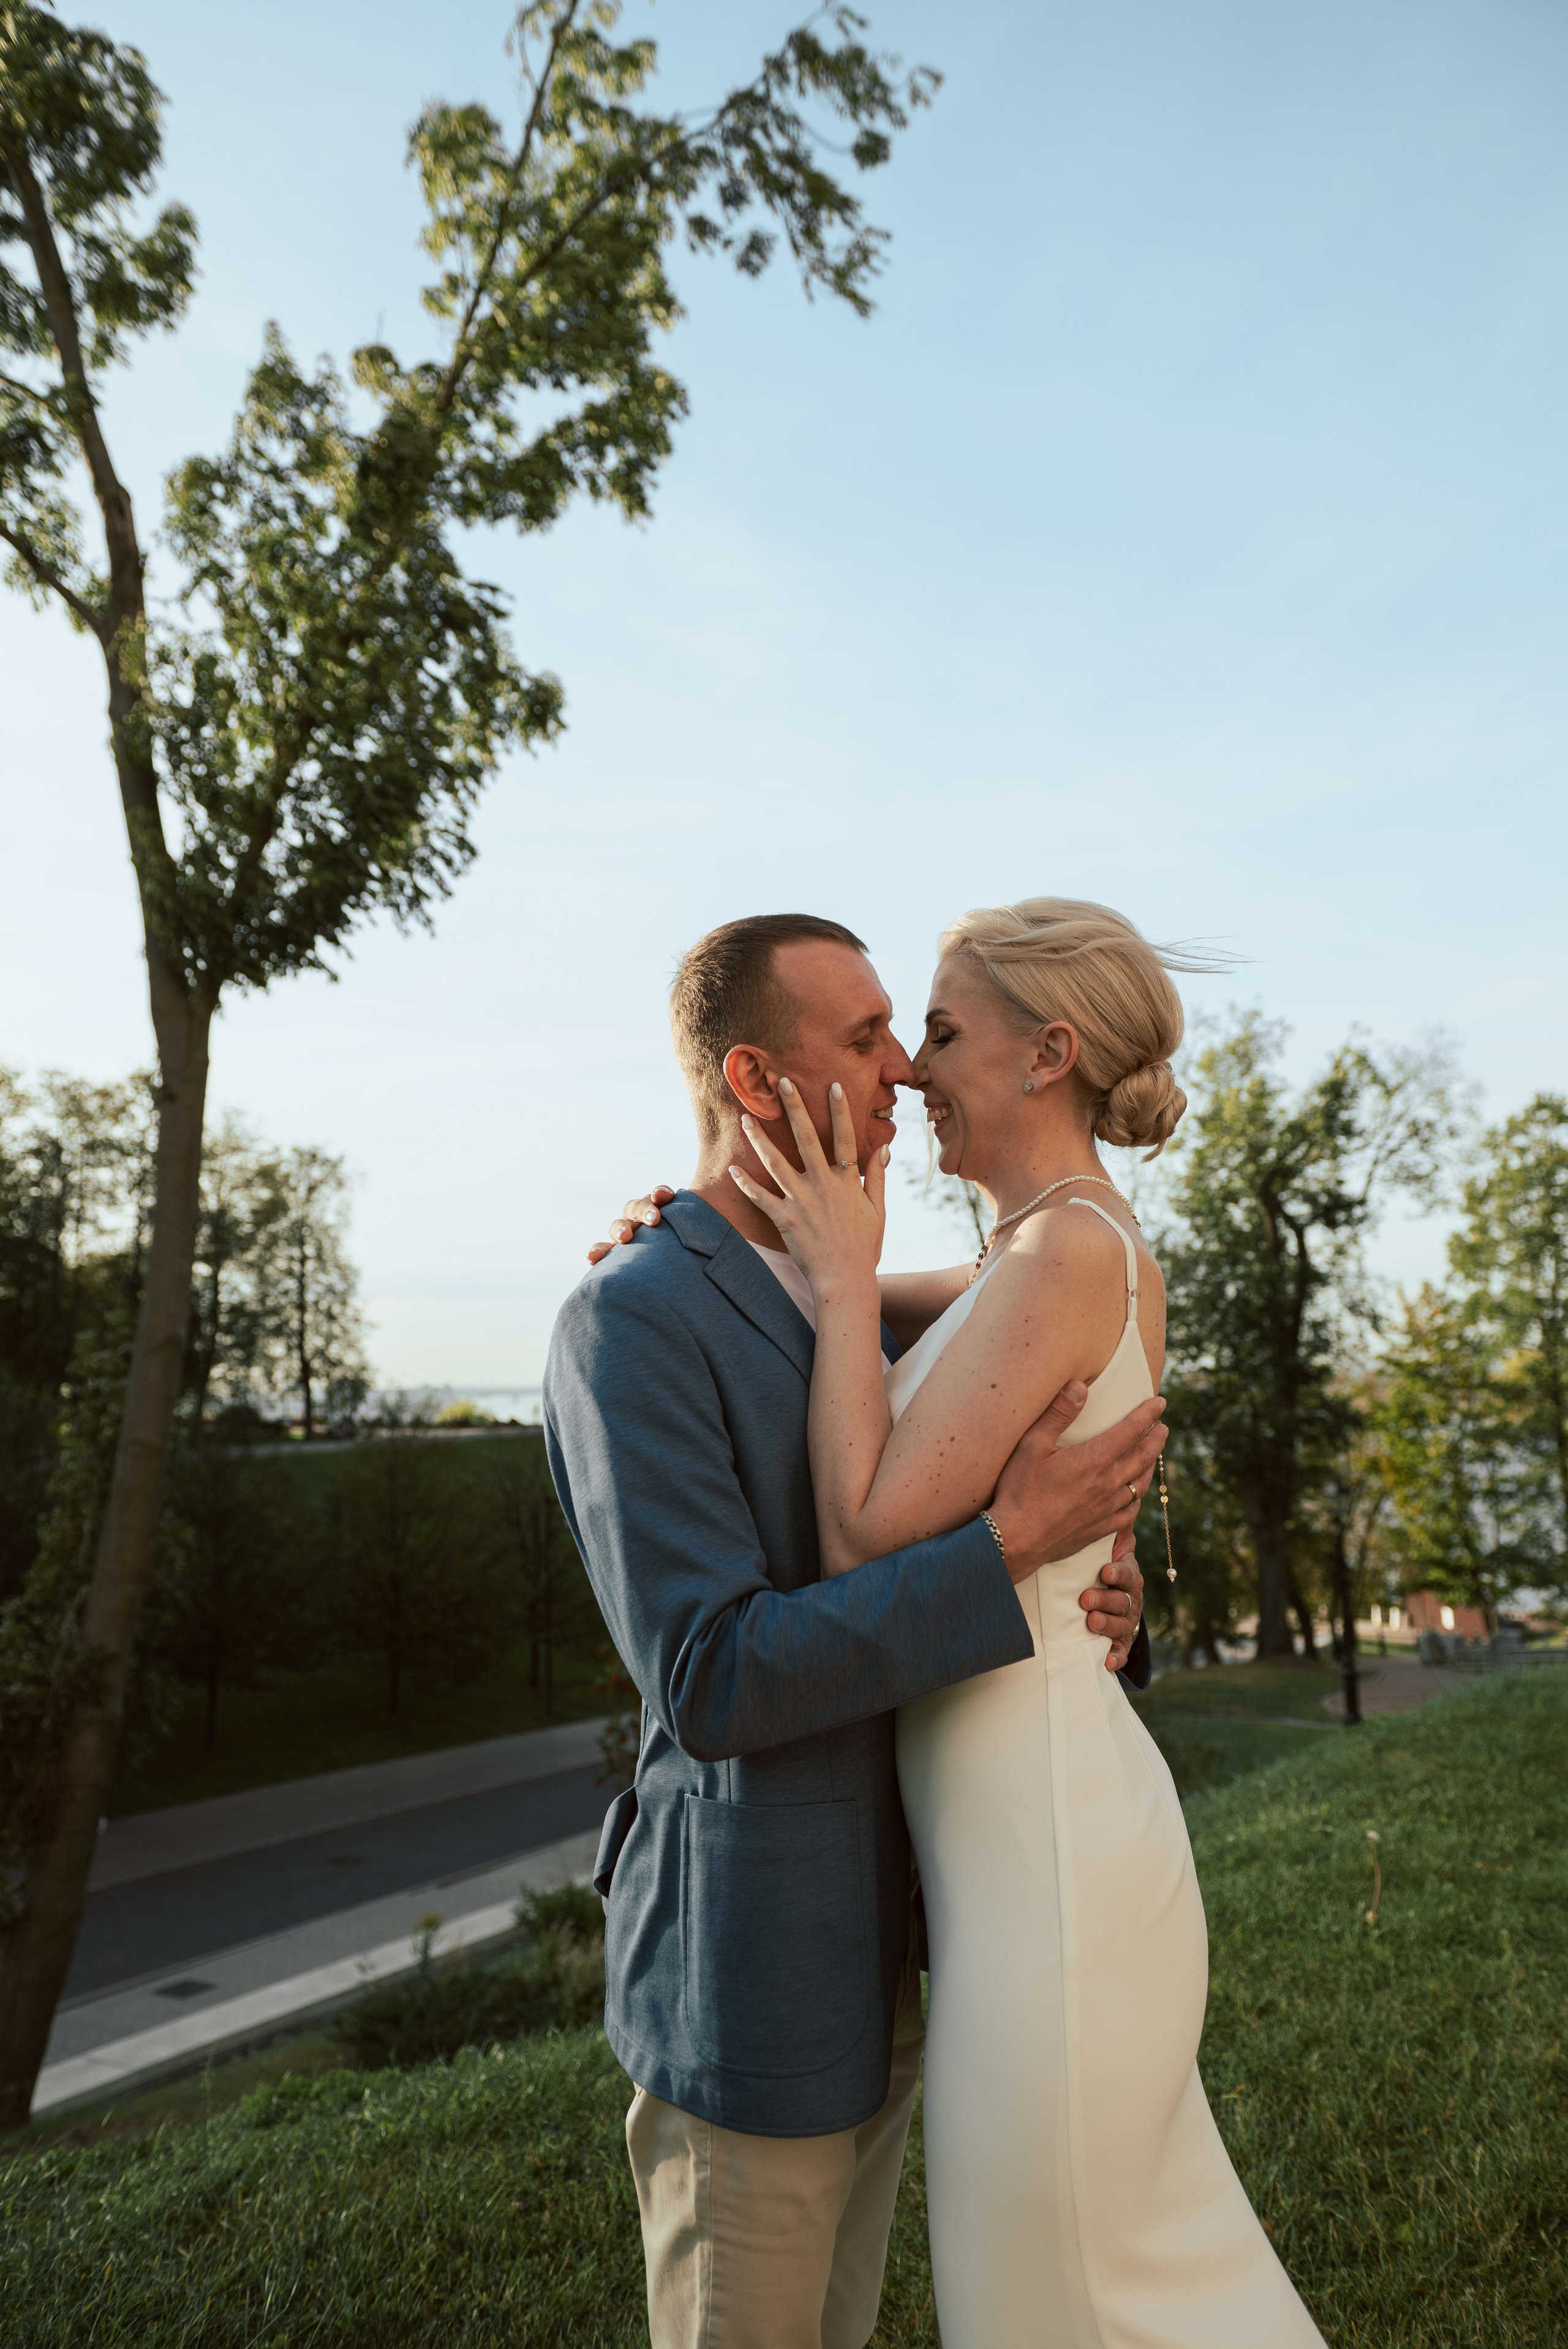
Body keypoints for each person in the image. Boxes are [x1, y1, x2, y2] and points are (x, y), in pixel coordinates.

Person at [543, 912, 1166, 2349]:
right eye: (864, 1036)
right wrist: (1011, 1550)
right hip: (755, 1980)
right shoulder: (629, 1320)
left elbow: (1035, 1413)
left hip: (913, 1948)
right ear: (757, 1082)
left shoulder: (865, 1314)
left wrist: (1098, 1590)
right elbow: (710, 1676)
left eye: (910, 1030)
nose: (898, 1068)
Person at [725, 897, 1326, 2348]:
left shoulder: (1064, 1255)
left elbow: (864, 1525)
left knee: (1058, 2296)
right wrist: (701, 1230)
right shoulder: (1038, 1250)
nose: (915, 1072)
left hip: (1046, 1860)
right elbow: (847, 1304)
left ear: (1048, 1051)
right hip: (1022, 1854)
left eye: (937, 1032)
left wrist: (842, 1269)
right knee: (1096, 2280)